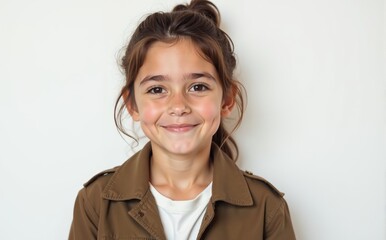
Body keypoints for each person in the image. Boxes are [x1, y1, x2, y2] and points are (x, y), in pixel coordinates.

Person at [69, 0, 296, 239]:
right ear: (132, 104)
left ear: (227, 100)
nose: (178, 106)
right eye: (157, 90)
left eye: (198, 87)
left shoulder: (267, 208)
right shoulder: (95, 203)